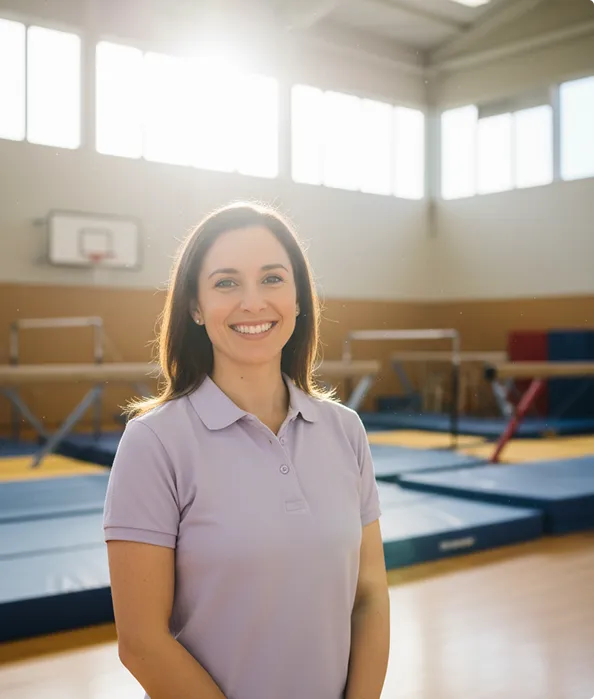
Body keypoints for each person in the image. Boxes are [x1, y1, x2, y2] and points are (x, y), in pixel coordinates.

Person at [103, 202, 390, 699]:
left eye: (273, 279)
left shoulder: (346, 430)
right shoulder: (154, 443)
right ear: (195, 307)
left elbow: (369, 596)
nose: (253, 302)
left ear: (299, 298)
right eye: (226, 283)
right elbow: (142, 642)